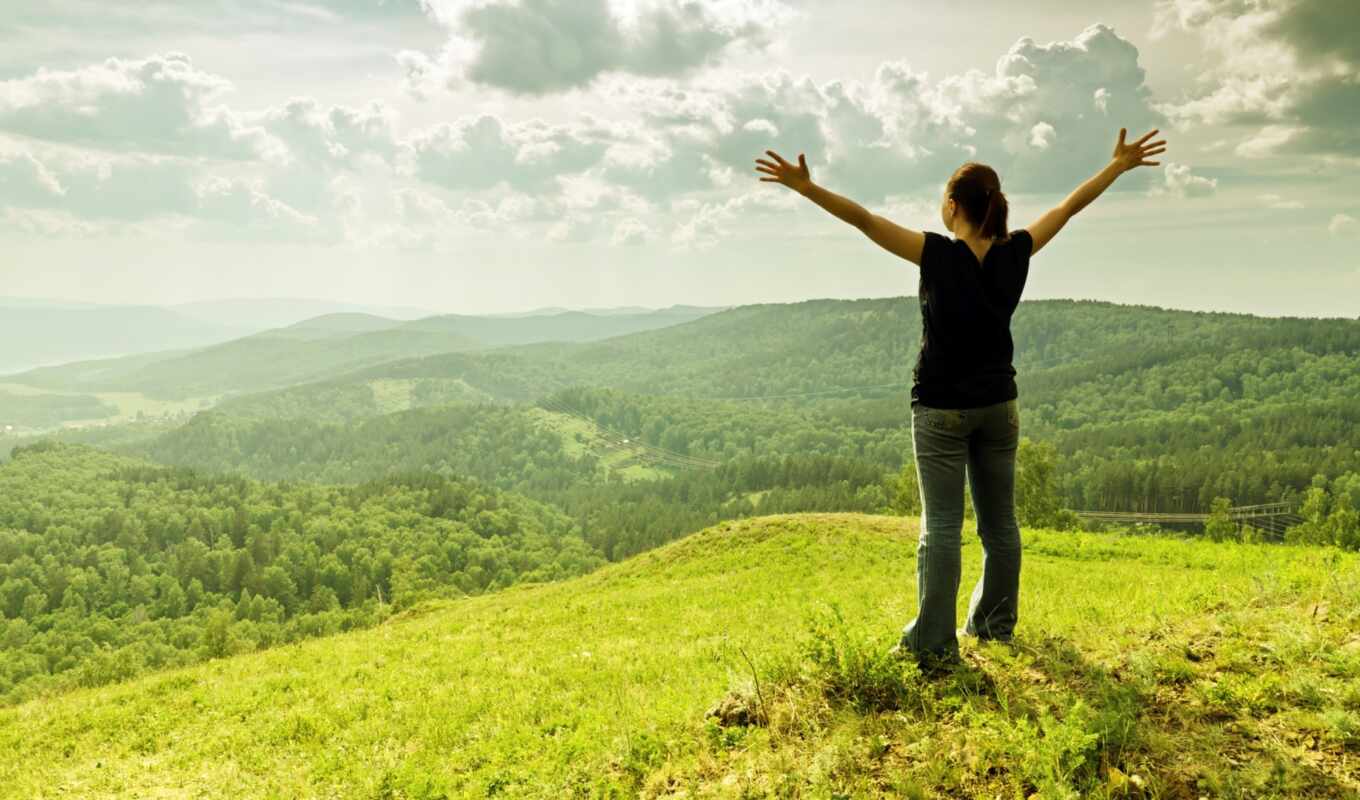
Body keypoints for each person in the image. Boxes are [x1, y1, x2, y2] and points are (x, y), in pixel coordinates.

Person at [754, 127, 1167, 673]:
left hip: (941, 408)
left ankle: (932, 643)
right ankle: (994, 627)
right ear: (994, 206)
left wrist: (806, 188)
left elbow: (864, 221)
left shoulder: (936, 254)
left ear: (953, 206)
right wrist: (1115, 167)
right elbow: (1068, 208)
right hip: (1001, 406)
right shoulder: (1016, 251)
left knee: (942, 527)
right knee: (1001, 525)